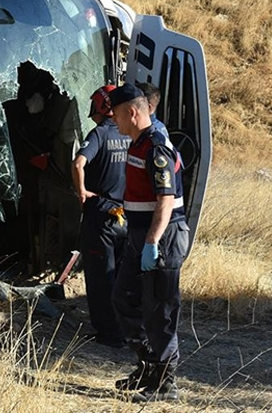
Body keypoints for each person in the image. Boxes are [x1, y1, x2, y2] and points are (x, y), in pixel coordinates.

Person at [108, 83, 190, 402]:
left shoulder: (156, 146)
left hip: (162, 237)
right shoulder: (138, 142)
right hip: (140, 235)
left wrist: (153, 242)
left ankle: (166, 384)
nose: (114, 122)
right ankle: (148, 366)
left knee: (160, 310)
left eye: (116, 115)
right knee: (124, 298)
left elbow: (165, 199)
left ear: (132, 111)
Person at [71, 85, 131, 348]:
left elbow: (78, 163)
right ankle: (125, 328)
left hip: (102, 216)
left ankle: (109, 334)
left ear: (100, 107)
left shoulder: (99, 135)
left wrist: (81, 191)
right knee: (120, 276)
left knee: (99, 278)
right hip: (127, 216)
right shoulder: (130, 135)